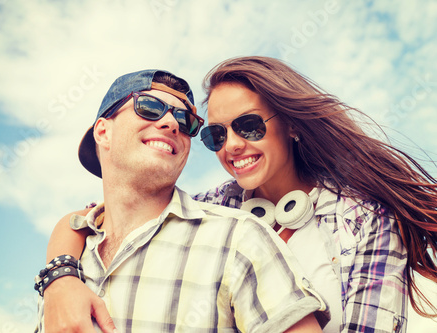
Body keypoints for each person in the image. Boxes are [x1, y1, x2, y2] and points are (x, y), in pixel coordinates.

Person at [41, 57, 437, 333]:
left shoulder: (366, 218)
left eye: (248, 126)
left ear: (292, 126)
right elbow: (94, 218)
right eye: (215, 134)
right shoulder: (216, 209)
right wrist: (60, 278)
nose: (231, 146)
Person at [34, 68, 330, 333]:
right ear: (103, 132)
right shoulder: (64, 269)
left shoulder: (239, 238)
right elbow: (75, 221)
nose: (171, 123)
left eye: (185, 120)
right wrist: (59, 277)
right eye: (149, 107)